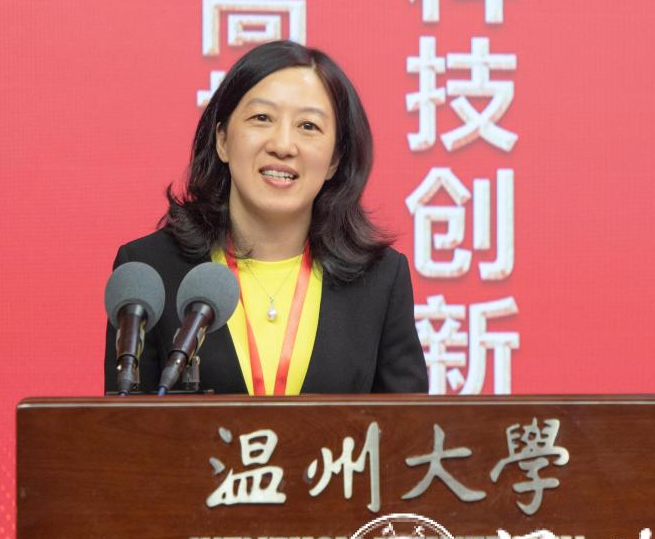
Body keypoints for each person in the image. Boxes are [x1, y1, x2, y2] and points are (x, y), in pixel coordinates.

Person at [104, 40, 427, 395]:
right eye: (262, 118)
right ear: (222, 140)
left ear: (335, 159)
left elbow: (406, 426)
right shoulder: (150, 273)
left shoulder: (380, 279)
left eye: (308, 126)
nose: (283, 145)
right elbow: (124, 421)